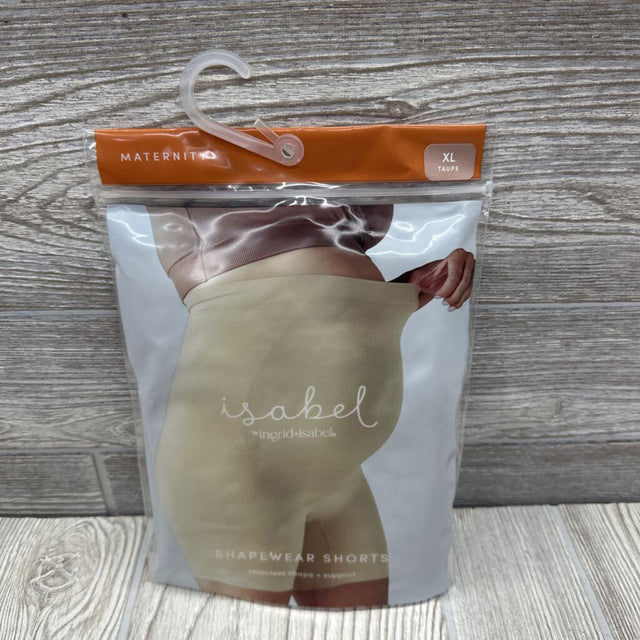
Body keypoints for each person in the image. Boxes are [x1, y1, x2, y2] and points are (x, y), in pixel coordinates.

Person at [148, 202, 474, 607]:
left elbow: (318, 302)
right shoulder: (190, 171)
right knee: (251, 630)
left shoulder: (354, 173)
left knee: (366, 630)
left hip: (340, 480)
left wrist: (411, 287)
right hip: (236, 466)